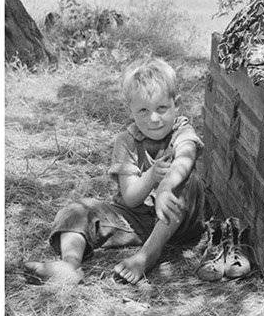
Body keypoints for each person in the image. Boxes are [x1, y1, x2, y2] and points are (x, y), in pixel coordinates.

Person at [23, 57, 205, 286]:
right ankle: (70, 265)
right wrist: (151, 177)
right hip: (138, 219)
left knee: (187, 179)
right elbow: (130, 197)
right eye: (143, 111)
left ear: (176, 104)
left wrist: (166, 187)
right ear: (131, 110)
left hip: (180, 218)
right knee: (76, 211)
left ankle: (147, 255)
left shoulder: (182, 130)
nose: (154, 118)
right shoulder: (126, 141)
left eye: (162, 108)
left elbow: (185, 159)